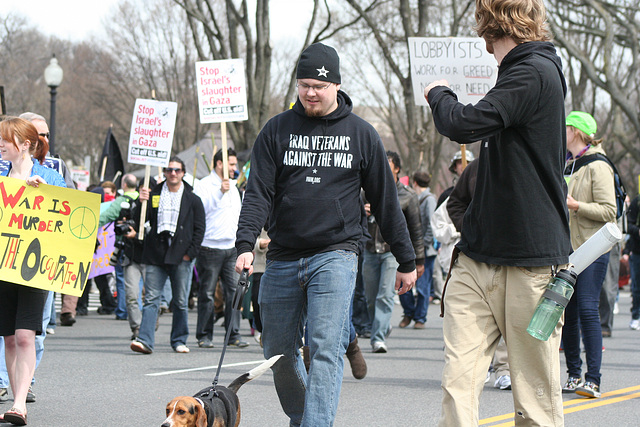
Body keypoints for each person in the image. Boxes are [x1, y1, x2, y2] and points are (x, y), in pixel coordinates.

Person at [234, 42, 417, 426]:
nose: (310, 93)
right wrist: (246, 244)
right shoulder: (276, 130)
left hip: (336, 253)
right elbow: (258, 194)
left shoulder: (362, 134)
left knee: (325, 347)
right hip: (283, 255)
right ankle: (305, 418)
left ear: (336, 84)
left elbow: (386, 202)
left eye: (318, 85)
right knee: (278, 351)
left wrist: (406, 258)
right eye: (304, 85)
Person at [424, 0, 572, 423]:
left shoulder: (535, 71)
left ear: (489, 28)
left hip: (529, 263)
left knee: (534, 396)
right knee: (458, 380)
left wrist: (439, 93)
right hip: (476, 259)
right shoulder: (517, 74)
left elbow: (462, 123)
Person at [0, 117, 66, 425]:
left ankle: (19, 404)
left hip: (36, 267)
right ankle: (16, 402)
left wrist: (44, 195)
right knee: (10, 338)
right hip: (3, 265)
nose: (0, 144)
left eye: (6, 139)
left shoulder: (49, 177)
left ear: (25, 144)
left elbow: (67, 213)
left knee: (26, 336)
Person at [561, 111, 616, 398]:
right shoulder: (569, 163)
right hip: (567, 249)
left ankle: (592, 379)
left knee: (586, 308)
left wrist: (576, 205)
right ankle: (573, 375)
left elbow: (610, 211)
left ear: (576, 131)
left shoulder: (598, 164)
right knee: (567, 312)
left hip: (593, 247)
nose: (562, 130)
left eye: (566, 126)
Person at [130, 157, 205, 354]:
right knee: (151, 299)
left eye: (177, 170)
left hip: (182, 255)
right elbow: (139, 222)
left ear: (183, 173)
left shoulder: (193, 199)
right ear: (164, 172)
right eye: (169, 169)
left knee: (180, 301)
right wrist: (141, 202)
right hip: (156, 253)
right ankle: (145, 340)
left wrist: (190, 254)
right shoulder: (153, 194)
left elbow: (200, 229)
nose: (173, 173)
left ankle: (179, 339)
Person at [363, 151, 424, 353]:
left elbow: (415, 229)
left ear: (397, 168)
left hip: (392, 252)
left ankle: (378, 338)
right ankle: (382, 325)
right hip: (370, 249)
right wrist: (362, 211)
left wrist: (418, 259)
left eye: (387, 165)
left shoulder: (408, 195)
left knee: (385, 295)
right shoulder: (365, 191)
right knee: (371, 298)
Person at [194, 148, 248, 349]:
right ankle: (204, 335)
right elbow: (200, 212)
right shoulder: (204, 185)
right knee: (207, 293)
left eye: (235, 164)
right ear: (219, 164)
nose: (235, 168)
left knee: (235, 292)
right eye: (232, 164)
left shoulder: (234, 187)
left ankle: (233, 334)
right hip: (209, 247)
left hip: (231, 247)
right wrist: (219, 192)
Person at [99, 173, 144, 340]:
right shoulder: (141, 199)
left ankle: (135, 320)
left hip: (131, 250)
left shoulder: (122, 202)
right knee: (140, 289)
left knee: (127, 285)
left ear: (124, 185)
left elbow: (103, 218)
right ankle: (139, 326)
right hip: (138, 252)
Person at [399, 169, 437, 329]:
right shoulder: (411, 196)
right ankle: (409, 312)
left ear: (414, 182)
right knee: (405, 284)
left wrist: (425, 243)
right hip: (410, 248)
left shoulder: (429, 199)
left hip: (426, 250)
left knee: (422, 285)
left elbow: (431, 224)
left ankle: (420, 317)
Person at [628, 194, 640, 330]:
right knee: (637, 287)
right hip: (637, 251)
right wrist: (638, 231)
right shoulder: (637, 202)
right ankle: (636, 316)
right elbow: (628, 225)